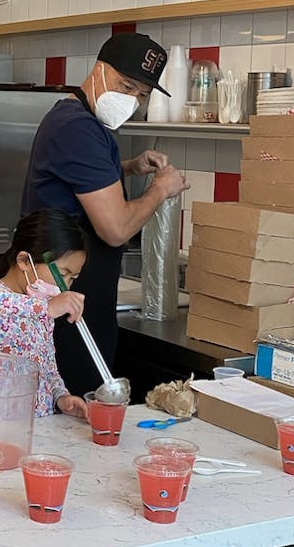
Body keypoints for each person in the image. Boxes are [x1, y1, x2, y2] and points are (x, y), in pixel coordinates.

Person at [20, 32, 190, 394]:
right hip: (69, 303)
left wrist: (128, 167)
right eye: (125, 85)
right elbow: (115, 229)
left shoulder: (76, 118)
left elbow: (76, 181)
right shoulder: (80, 128)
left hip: (72, 297)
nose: (130, 100)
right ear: (98, 70)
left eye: (141, 94)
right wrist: (161, 189)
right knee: (71, 409)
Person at [0, 210, 89, 420]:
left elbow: (47, 365)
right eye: (63, 273)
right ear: (25, 261)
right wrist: (45, 308)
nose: (66, 284)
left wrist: (61, 396)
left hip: (32, 423)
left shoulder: (43, 307)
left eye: (74, 277)